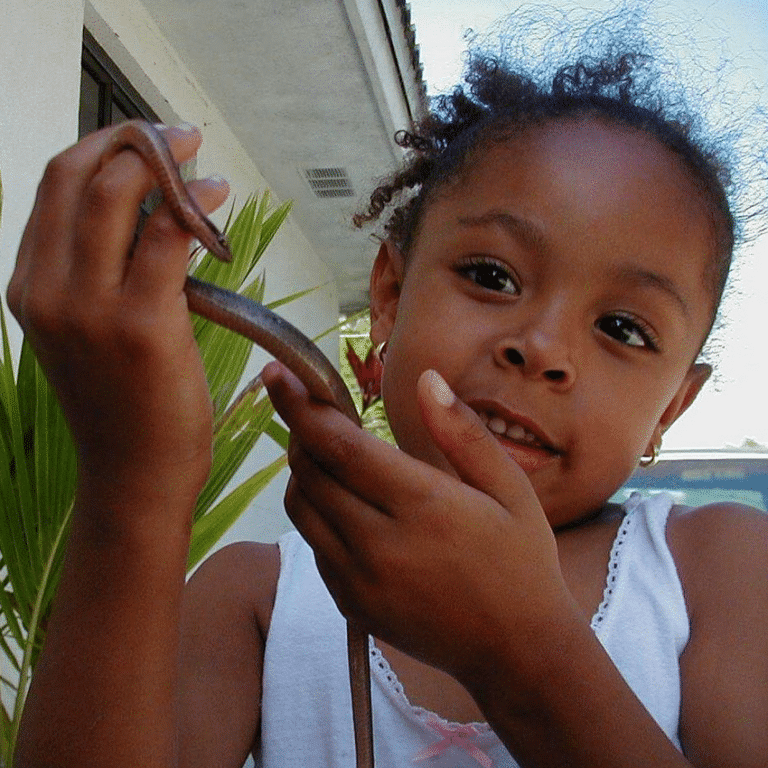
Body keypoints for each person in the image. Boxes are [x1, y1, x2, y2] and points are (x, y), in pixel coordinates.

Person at [9, 15, 768, 768]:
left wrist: (520, 645)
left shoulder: (718, 569)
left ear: (672, 408)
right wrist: (132, 482)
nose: (542, 349)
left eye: (624, 329)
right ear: (390, 297)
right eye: (491, 276)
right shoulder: (260, 598)